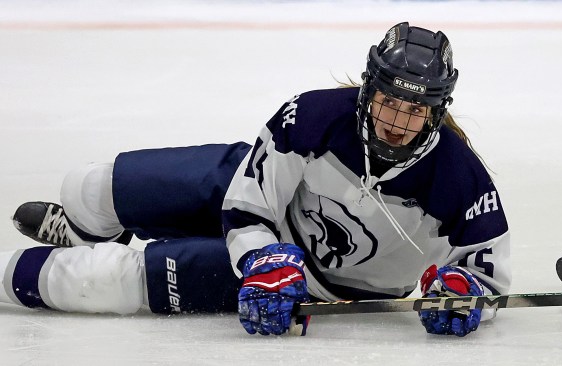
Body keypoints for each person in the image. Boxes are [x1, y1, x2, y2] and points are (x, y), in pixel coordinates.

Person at [3, 22, 510, 337]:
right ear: (369, 89)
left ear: (437, 110)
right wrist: (259, 257)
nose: (396, 121)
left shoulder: (460, 178)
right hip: (268, 211)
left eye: (415, 109)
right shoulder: (312, 117)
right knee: (88, 187)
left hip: (314, 285)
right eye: (389, 102)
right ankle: (85, 233)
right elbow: (249, 205)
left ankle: (18, 273)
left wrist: (464, 294)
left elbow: (486, 277)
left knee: (112, 281)